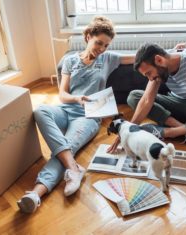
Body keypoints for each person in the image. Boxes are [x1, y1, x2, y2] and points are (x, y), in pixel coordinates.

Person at [17, 16, 135, 213]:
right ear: (88, 37)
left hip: (88, 117)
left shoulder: (109, 58)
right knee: (40, 110)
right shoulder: (71, 61)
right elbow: (62, 95)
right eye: (99, 43)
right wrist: (77, 98)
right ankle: (74, 169)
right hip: (66, 110)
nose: (102, 48)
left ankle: (36, 194)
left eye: (106, 45)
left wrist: (175, 52)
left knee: (65, 148)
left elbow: (139, 56)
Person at [108, 43, 186, 163]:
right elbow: (146, 100)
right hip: (175, 104)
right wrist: (126, 132)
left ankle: (170, 132)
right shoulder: (160, 69)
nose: (150, 78)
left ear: (159, 60)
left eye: (149, 73)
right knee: (134, 96)